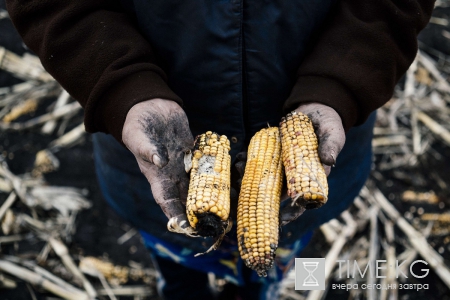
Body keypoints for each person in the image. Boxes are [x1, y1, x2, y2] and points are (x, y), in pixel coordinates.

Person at [6, 0, 434, 299]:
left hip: (304, 156)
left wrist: (339, 85)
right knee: (175, 252)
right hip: (152, 164)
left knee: (269, 259)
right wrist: (124, 87)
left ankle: (254, 291)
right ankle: (182, 291)